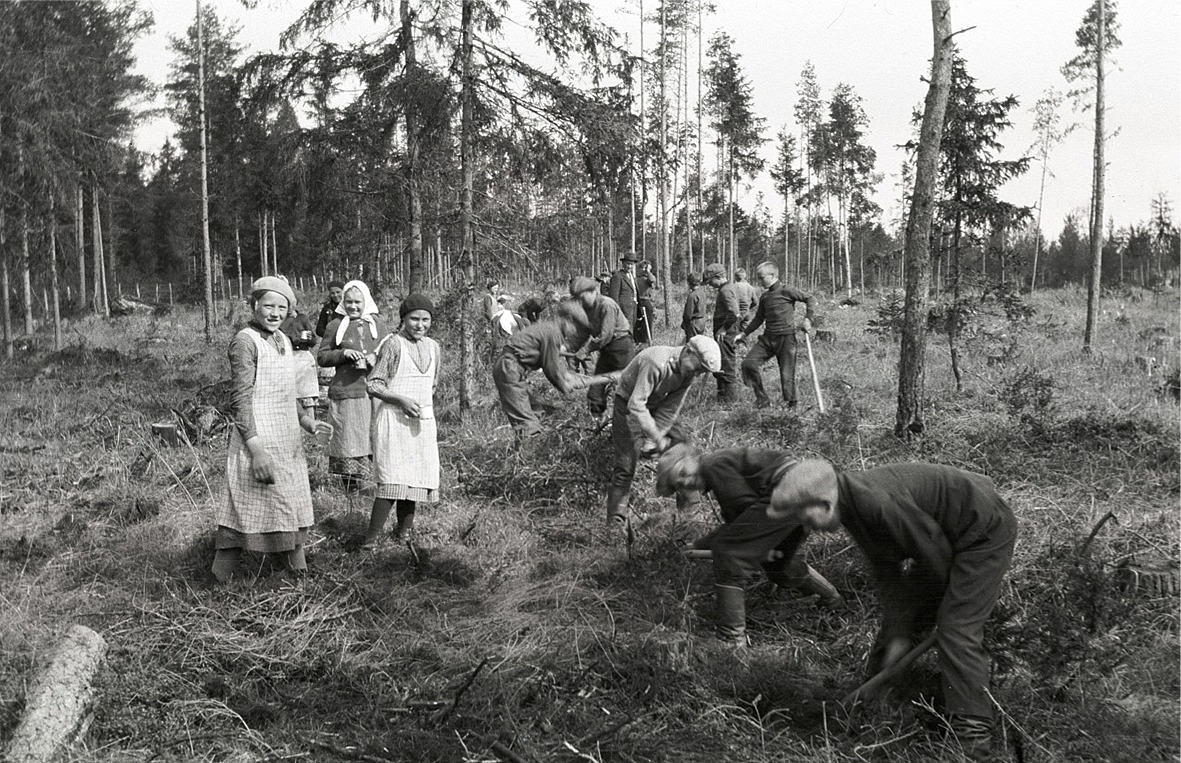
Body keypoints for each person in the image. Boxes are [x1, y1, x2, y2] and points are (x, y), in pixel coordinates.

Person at [768, 460, 1018, 759]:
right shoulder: (851, 505)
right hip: (942, 541)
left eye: (804, 516)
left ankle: (973, 739)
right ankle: (875, 705)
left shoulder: (876, 503)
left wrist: (947, 607)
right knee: (898, 625)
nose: (807, 527)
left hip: (982, 531)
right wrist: (900, 631)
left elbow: (934, 549)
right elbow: (887, 572)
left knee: (957, 629)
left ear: (824, 503)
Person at [654, 445, 843, 645]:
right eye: (679, 484)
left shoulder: (712, 464)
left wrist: (709, 544)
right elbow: (742, 522)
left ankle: (730, 640)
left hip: (787, 488)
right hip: (803, 489)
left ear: (692, 458)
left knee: (729, 553)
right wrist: (701, 544)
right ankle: (832, 598)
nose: (686, 481)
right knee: (779, 563)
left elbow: (741, 508)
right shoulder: (716, 467)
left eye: (683, 472)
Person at [213, 276, 332, 584]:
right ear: (254, 306)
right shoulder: (245, 341)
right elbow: (240, 402)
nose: (275, 313)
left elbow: (284, 391)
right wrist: (256, 451)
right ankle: (215, 586)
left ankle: (300, 582)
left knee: (289, 509)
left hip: (286, 441)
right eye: (268, 306)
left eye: (282, 307)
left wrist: (307, 421)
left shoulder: (282, 340)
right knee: (243, 514)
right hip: (257, 440)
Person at [605, 336, 722, 535]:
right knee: (626, 465)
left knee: (685, 455)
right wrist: (656, 438)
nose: (697, 373)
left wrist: (654, 437)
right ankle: (616, 524)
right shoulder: (655, 362)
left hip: (655, 405)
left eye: (702, 371)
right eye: (697, 367)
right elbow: (636, 404)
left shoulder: (687, 373)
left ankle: (690, 518)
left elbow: (670, 409)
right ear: (687, 351)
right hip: (628, 404)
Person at [362, 294, 441, 547]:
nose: (420, 325)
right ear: (403, 319)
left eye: (425, 320)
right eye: (414, 319)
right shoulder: (393, 344)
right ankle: (371, 539)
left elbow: (432, 384)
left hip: (422, 421)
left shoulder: (434, 347)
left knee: (416, 477)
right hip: (394, 420)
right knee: (392, 478)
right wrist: (401, 401)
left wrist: (420, 406)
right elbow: (373, 385)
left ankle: (403, 533)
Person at [317, 280, 391, 493]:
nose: (353, 307)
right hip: (347, 391)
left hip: (375, 391)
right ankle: (350, 489)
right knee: (347, 439)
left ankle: (376, 487)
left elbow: (390, 351)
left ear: (365, 301)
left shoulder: (378, 324)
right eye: (348, 302)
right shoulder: (335, 325)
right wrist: (343, 354)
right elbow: (322, 356)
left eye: (357, 302)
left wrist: (372, 358)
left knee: (373, 438)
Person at [491, 301, 603, 440]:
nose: (575, 332)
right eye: (576, 327)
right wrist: (569, 390)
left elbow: (552, 363)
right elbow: (552, 369)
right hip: (509, 370)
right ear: (567, 320)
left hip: (512, 369)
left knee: (537, 412)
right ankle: (524, 459)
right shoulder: (552, 333)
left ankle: (525, 452)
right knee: (528, 425)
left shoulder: (549, 329)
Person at [737, 261, 817, 409]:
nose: (760, 282)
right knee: (748, 364)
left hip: (786, 339)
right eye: (758, 278)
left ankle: (791, 406)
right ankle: (762, 399)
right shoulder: (765, 297)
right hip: (767, 339)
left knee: (786, 374)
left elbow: (810, 298)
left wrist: (808, 318)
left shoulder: (787, 291)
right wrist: (744, 334)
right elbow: (759, 319)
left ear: (772, 275)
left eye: (762, 278)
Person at [571, 275, 635, 416]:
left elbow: (606, 335)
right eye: (578, 299)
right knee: (595, 390)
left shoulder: (607, 304)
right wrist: (567, 348)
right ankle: (596, 421)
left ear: (593, 291)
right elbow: (583, 332)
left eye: (582, 298)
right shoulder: (587, 308)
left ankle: (629, 425)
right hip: (606, 350)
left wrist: (585, 350)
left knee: (625, 389)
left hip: (621, 348)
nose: (580, 302)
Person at [704, 263, 743, 402]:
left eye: (711, 281)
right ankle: (723, 397)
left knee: (727, 365)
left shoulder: (725, 290)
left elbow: (734, 313)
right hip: (726, 333)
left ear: (719, 277)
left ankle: (730, 401)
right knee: (722, 364)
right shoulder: (728, 287)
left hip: (726, 334)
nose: (710, 284)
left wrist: (724, 328)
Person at [279, 301, 321, 409]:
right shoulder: (279, 320)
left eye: (290, 304)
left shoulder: (302, 318)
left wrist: (306, 338)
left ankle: (311, 422)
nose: (288, 307)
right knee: (290, 395)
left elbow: (313, 341)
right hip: (287, 358)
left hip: (304, 357)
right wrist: (295, 338)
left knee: (307, 395)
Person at [607, 253, 639, 332]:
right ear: (623, 263)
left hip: (633, 309)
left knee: (631, 330)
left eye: (631, 264)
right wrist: (618, 312)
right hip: (623, 311)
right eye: (628, 264)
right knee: (623, 332)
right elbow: (614, 296)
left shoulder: (632, 277)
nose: (629, 267)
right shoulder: (617, 277)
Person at [680, 272, 711, 342]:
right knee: (699, 342)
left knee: (692, 343)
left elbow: (688, 314)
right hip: (702, 322)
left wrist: (684, 323)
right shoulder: (702, 293)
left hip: (694, 323)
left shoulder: (692, 295)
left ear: (690, 283)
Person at [634, 259, 658, 345]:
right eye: (643, 268)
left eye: (646, 268)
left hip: (647, 302)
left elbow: (652, 279)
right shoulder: (636, 279)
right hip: (638, 301)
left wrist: (648, 271)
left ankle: (647, 340)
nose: (644, 270)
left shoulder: (648, 279)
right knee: (638, 323)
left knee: (648, 322)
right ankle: (638, 341)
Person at [732, 267, 759, 332]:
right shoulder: (750, 287)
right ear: (745, 276)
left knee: (734, 334)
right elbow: (755, 302)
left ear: (735, 277)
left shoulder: (733, 287)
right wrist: (748, 308)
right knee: (744, 334)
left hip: (736, 314)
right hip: (747, 313)